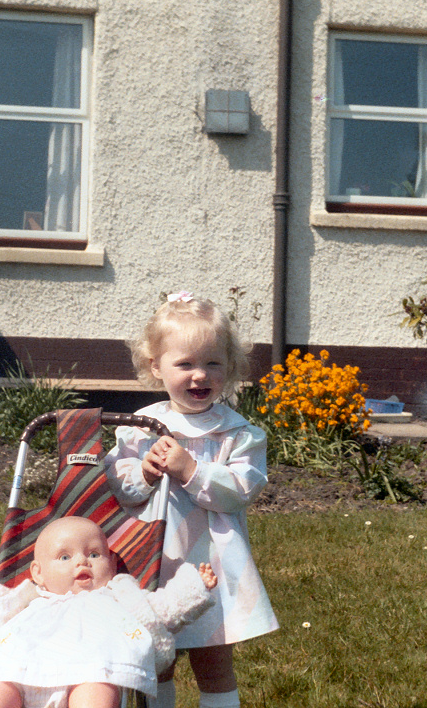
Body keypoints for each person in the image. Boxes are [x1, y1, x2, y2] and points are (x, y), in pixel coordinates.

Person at [104, 293, 278, 708]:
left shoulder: (237, 433)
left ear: (229, 367)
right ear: (156, 366)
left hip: (212, 565)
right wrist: (144, 472)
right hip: (153, 560)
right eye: (185, 364)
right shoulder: (140, 428)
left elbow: (241, 489)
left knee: (213, 660)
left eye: (213, 363)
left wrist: (191, 470)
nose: (200, 375)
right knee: (155, 656)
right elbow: (116, 486)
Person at [0, 516, 217, 708]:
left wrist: (193, 587)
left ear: (112, 565)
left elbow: (162, 608)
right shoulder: (29, 598)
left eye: (94, 554)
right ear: (38, 573)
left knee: (96, 693)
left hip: (92, 671)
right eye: (65, 557)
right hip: (17, 671)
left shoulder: (120, 597)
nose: (82, 561)